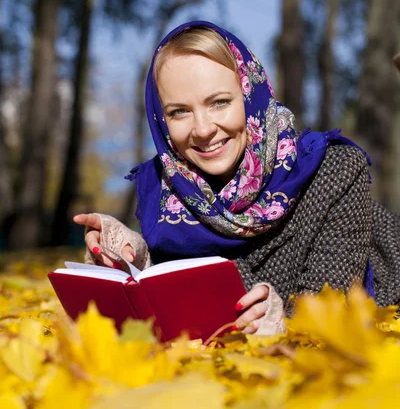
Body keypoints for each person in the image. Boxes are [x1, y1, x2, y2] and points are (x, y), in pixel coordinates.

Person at [74, 21, 400, 335]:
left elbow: (330, 305)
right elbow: (182, 291)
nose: (202, 129)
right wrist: (134, 256)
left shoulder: (333, 169)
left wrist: (283, 324)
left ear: (250, 95)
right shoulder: (166, 191)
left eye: (219, 103)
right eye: (179, 112)